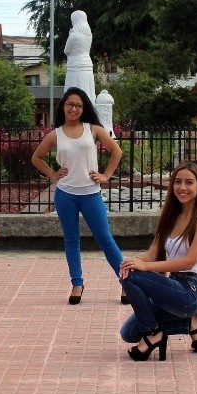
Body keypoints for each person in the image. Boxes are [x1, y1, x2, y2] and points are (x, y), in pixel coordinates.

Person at [31, 87, 124, 305]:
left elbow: (116, 151)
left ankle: (125, 281)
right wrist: (53, 174)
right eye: (70, 104)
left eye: (79, 105)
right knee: (71, 240)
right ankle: (77, 284)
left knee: (105, 239)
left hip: (91, 194)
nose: (74, 109)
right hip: (66, 195)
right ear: (63, 106)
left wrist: (106, 175)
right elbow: (37, 157)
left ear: (84, 109)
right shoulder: (55, 134)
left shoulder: (93, 129)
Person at [119, 162, 197, 360]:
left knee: (131, 277)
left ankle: (153, 334)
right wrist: (133, 261)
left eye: (189, 182)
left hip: (191, 291)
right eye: (178, 182)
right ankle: (191, 323)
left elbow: (189, 262)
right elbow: (152, 253)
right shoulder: (171, 216)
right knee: (128, 333)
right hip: (172, 285)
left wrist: (145, 267)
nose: (182, 187)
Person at [63, 10, 96, 105]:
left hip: (75, 66)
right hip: (87, 65)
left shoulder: (73, 35)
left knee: (73, 90)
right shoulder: (89, 35)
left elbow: (66, 50)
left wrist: (70, 35)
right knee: (87, 91)